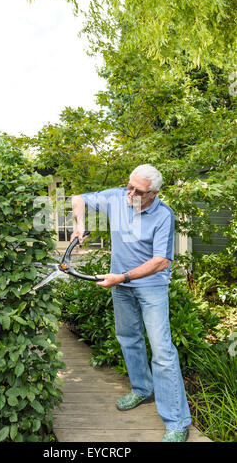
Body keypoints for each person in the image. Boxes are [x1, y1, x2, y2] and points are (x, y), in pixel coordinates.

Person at [71, 164, 191, 442]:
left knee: (162, 351)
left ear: (154, 194)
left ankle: (177, 421)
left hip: (150, 287)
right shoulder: (117, 197)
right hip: (120, 285)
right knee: (128, 337)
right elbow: (79, 198)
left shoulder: (163, 215)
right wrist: (79, 224)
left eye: (138, 190)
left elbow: (161, 261)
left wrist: (122, 277)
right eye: (129, 186)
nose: (131, 193)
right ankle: (142, 389)